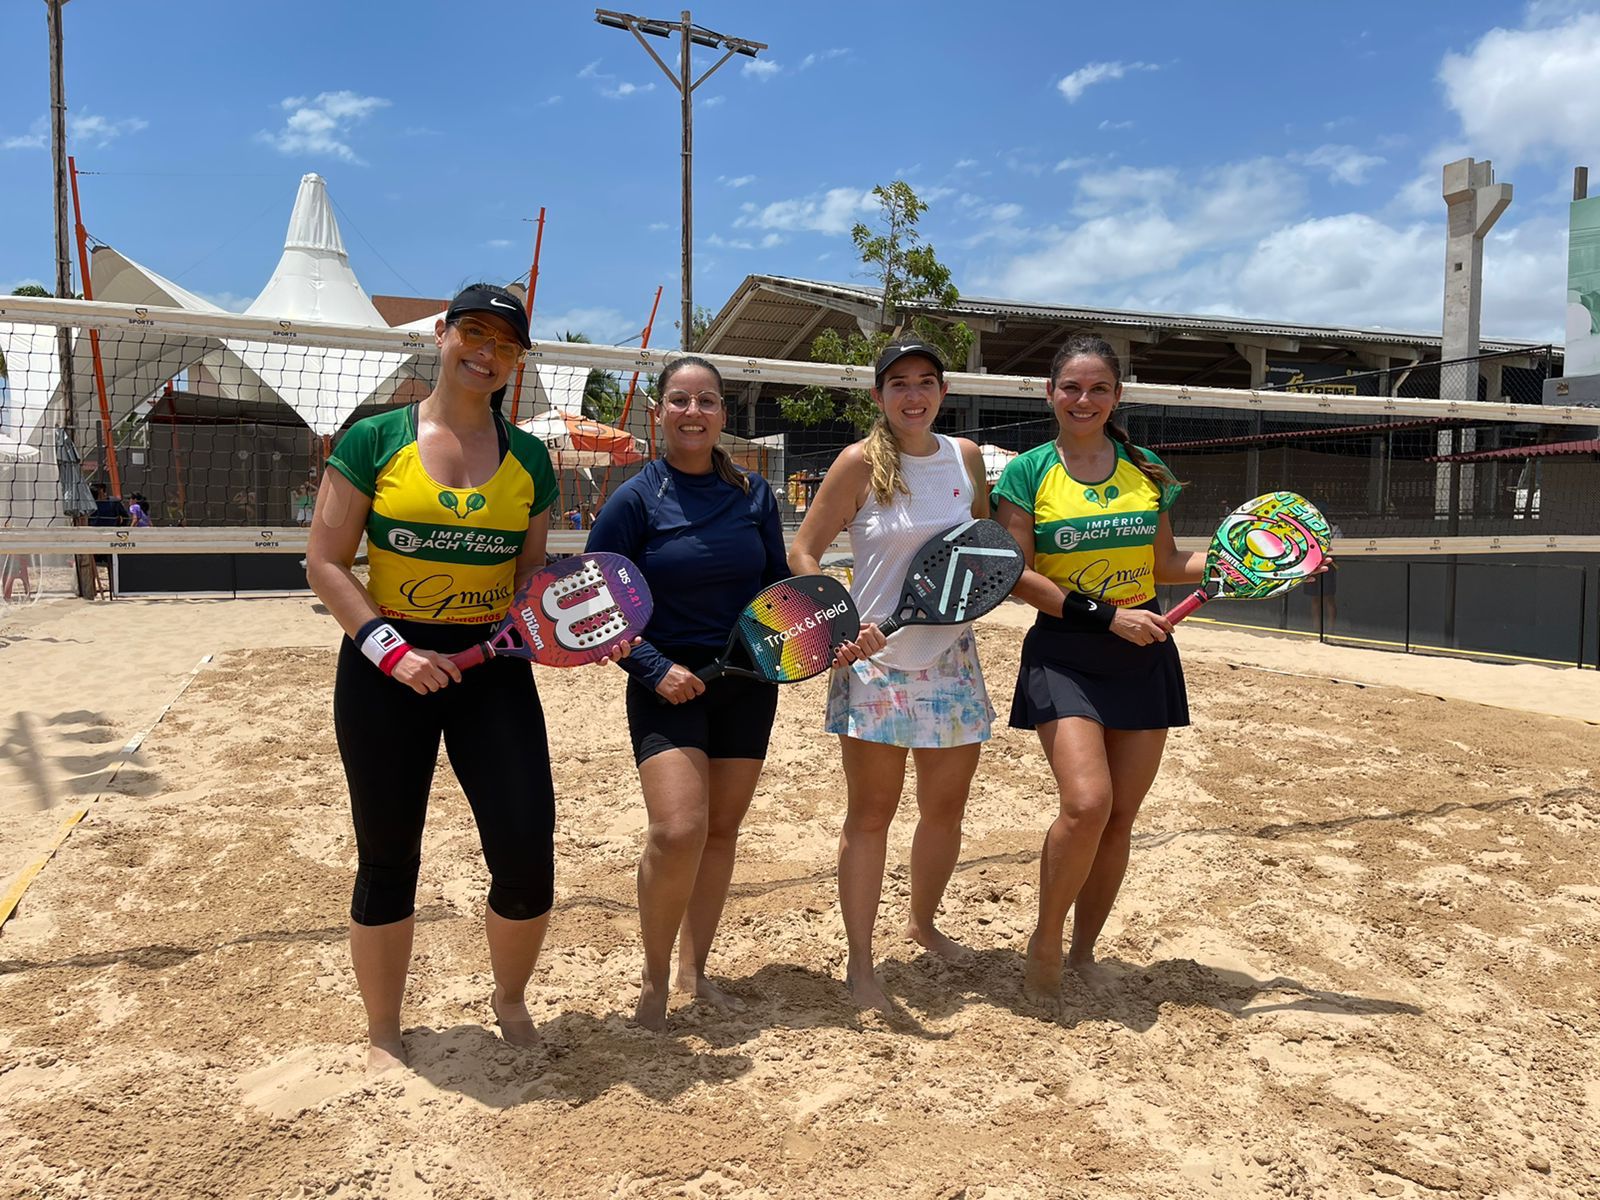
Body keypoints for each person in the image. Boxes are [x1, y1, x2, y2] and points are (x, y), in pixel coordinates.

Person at [307, 282, 616, 1071]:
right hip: (388, 668)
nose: (487, 352)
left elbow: (530, 576)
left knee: (525, 851)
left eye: (505, 344)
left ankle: (509, 999)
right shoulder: (375, 439)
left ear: (517, 359)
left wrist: (561, 624)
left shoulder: (530, 459)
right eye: (473, 333)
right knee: (387, 854)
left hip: (493, 668)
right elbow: (325, 563)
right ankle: (384, 1030)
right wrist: (392, 651)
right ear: (442, 334)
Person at [991, 335, 1205, 1007]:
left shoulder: (1147, 467)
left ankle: (1084, 953)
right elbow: (1016, 575)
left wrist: (1252, 565)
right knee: (1087, 805)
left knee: (1120, 819)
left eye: (1099, 388)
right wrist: (1106, 616)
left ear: (1118, 396)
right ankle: (1047, 938)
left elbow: (1168, 566)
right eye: (1071, 388)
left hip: (1144, 650)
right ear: (1050, 394)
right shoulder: (1026, 473)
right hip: (1066, 648)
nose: (1085, 400)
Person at [788, 337, 994, 1015]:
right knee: (870, 817)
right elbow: (804, 550)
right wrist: (840, 625)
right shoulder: (859, 463)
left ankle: (924, 924)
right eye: (899, 383)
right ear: (879, 397)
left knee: (945, 810)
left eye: (926, 382)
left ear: (942, 392)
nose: (914, 394)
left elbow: (983, 552)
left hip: (951, 659)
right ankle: (860, 964)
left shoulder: (964, 459)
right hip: (872, 663)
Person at [585, 355, 788, 1031]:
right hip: (668, 685)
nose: (693, 412)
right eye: (680, 400)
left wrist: (817, 638)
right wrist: (651, 667)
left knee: (720, 832)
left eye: (706, 401)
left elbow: (780, 592)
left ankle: (695, 973)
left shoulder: (754, 496)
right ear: (659, 413)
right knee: (678, 831)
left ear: (723, 415)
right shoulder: (635, 500)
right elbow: (594, 601)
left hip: (747, 683)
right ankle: (652, 978)